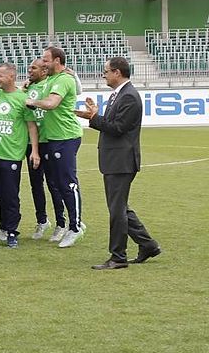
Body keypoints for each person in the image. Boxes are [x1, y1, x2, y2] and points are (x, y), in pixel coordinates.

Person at [76, 57, 160, 270]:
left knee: (117, 210)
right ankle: (148, 245)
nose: (103, 75)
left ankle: (118, 257)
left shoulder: (129, 96)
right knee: (120, 207)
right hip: (116, 159)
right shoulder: (120, 94)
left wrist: (93, 118)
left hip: (121, 161)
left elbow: (117, 128)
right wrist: (94, 116)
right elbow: (113, 124)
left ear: (117, 72)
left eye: (106, 71)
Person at [0, 64, 40, 248]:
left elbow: (31, 126)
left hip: (11, 155)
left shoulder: (23, 99)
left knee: (9, 196)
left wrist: (34, 151)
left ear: (11, 77)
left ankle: (10, 230)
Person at [26, 47, 85, 248]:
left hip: (66, 137)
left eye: (46, 60)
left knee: (68, 183)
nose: (43, 63)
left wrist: (33, 102)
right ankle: (73, 221)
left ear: (57, 61)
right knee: (59, 184)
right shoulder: (52, 79)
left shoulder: (63, 79)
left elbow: (52, 103)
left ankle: (75, 227)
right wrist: (28, 85)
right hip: (54, 138)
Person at [23, 58, 67, 241]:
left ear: (44, 71)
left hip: (50, 141)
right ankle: (42, 220)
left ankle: (61, 223)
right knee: (35, 185)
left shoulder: (52, 85)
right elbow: (30, 120)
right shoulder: (27, 90)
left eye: (33, 68)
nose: (29, 71)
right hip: (32, 143)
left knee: (53, 184)